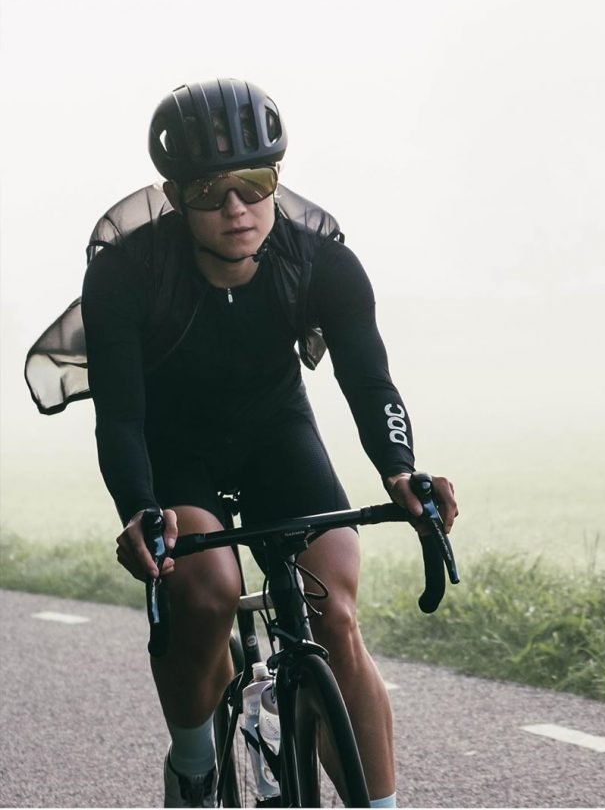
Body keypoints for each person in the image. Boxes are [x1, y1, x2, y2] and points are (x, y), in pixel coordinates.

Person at [27, 78, 457, 808]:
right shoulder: (126, 275)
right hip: (175, 449)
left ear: (277, 180)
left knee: (336, 615)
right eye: (207, 190)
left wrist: (401, 473)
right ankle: (194, 764)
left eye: (254, 184)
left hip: (275, 435)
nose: (235, 208)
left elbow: (370, 384)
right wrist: (139, 509)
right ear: (173, 193)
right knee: (208, 589)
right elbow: (122, 417)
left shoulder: (320, 262)